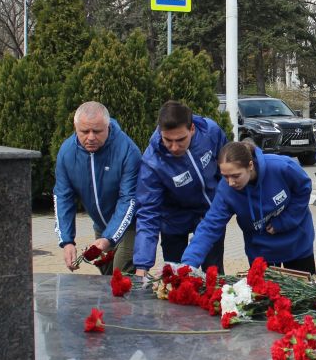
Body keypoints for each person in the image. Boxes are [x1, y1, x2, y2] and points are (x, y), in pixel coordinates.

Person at [181, 141, 315, 272]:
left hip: (297, 244)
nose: (231, 182)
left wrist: (285, 221)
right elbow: (210, 226)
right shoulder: (226, 190)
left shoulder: (281, 166)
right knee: (265, 294)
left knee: (308, 293)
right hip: (261, 252)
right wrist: (188, 264)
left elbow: (303, 189)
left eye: (236, 176)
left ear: (250, 166)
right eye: (225, 176)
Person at [133, 101, 228, 280]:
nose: (175, 147)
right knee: (176, 279)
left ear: (192, 129)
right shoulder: (152, 162)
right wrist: (142, 265)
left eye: (180, 140)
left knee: (213, 277)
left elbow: (226, 166)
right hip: (173, 222)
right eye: (168, 140)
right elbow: (147, 212)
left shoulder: (211, 132)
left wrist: (222, 205)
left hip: (209, 216)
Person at [54, 101, 141, 274]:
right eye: (85, 132)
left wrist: (108, 238)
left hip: (132, 223)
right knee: (105, 277)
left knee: (121, 274)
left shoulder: (127, 150)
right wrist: (67, 241)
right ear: (75, 127)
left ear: (107, 126)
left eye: (97, 131)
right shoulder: (67, 152)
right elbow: (63, 196)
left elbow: (128, 198)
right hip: (100, 225)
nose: (91, 137)